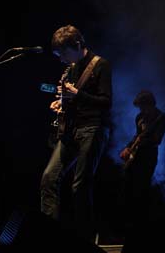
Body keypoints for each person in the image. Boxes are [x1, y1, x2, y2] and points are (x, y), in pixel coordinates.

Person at [40, 24, 112, 241]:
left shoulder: (101, 65)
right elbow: (73, 101)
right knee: (48, 179)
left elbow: (106, 102)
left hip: (92, 129)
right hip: (71, 130)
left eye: (63, 53)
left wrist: (78, 95)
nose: (61, 58)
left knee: (80, 186)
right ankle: (48, 235)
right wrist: (61, 104)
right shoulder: (70, 69)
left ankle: (85, 238)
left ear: (77, 45)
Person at [119, 90, 165, 227]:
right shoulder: (139, 117)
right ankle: (128, 222)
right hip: (136, 156)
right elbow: (137, 135)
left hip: (149, 157)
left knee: (142, 189)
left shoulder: (161, 117)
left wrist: (142, 141)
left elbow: (157, 139)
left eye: (143, 106)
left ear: (150, 104)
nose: (141, 109)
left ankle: (143, 223)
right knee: (128, 188)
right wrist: (128, 147)